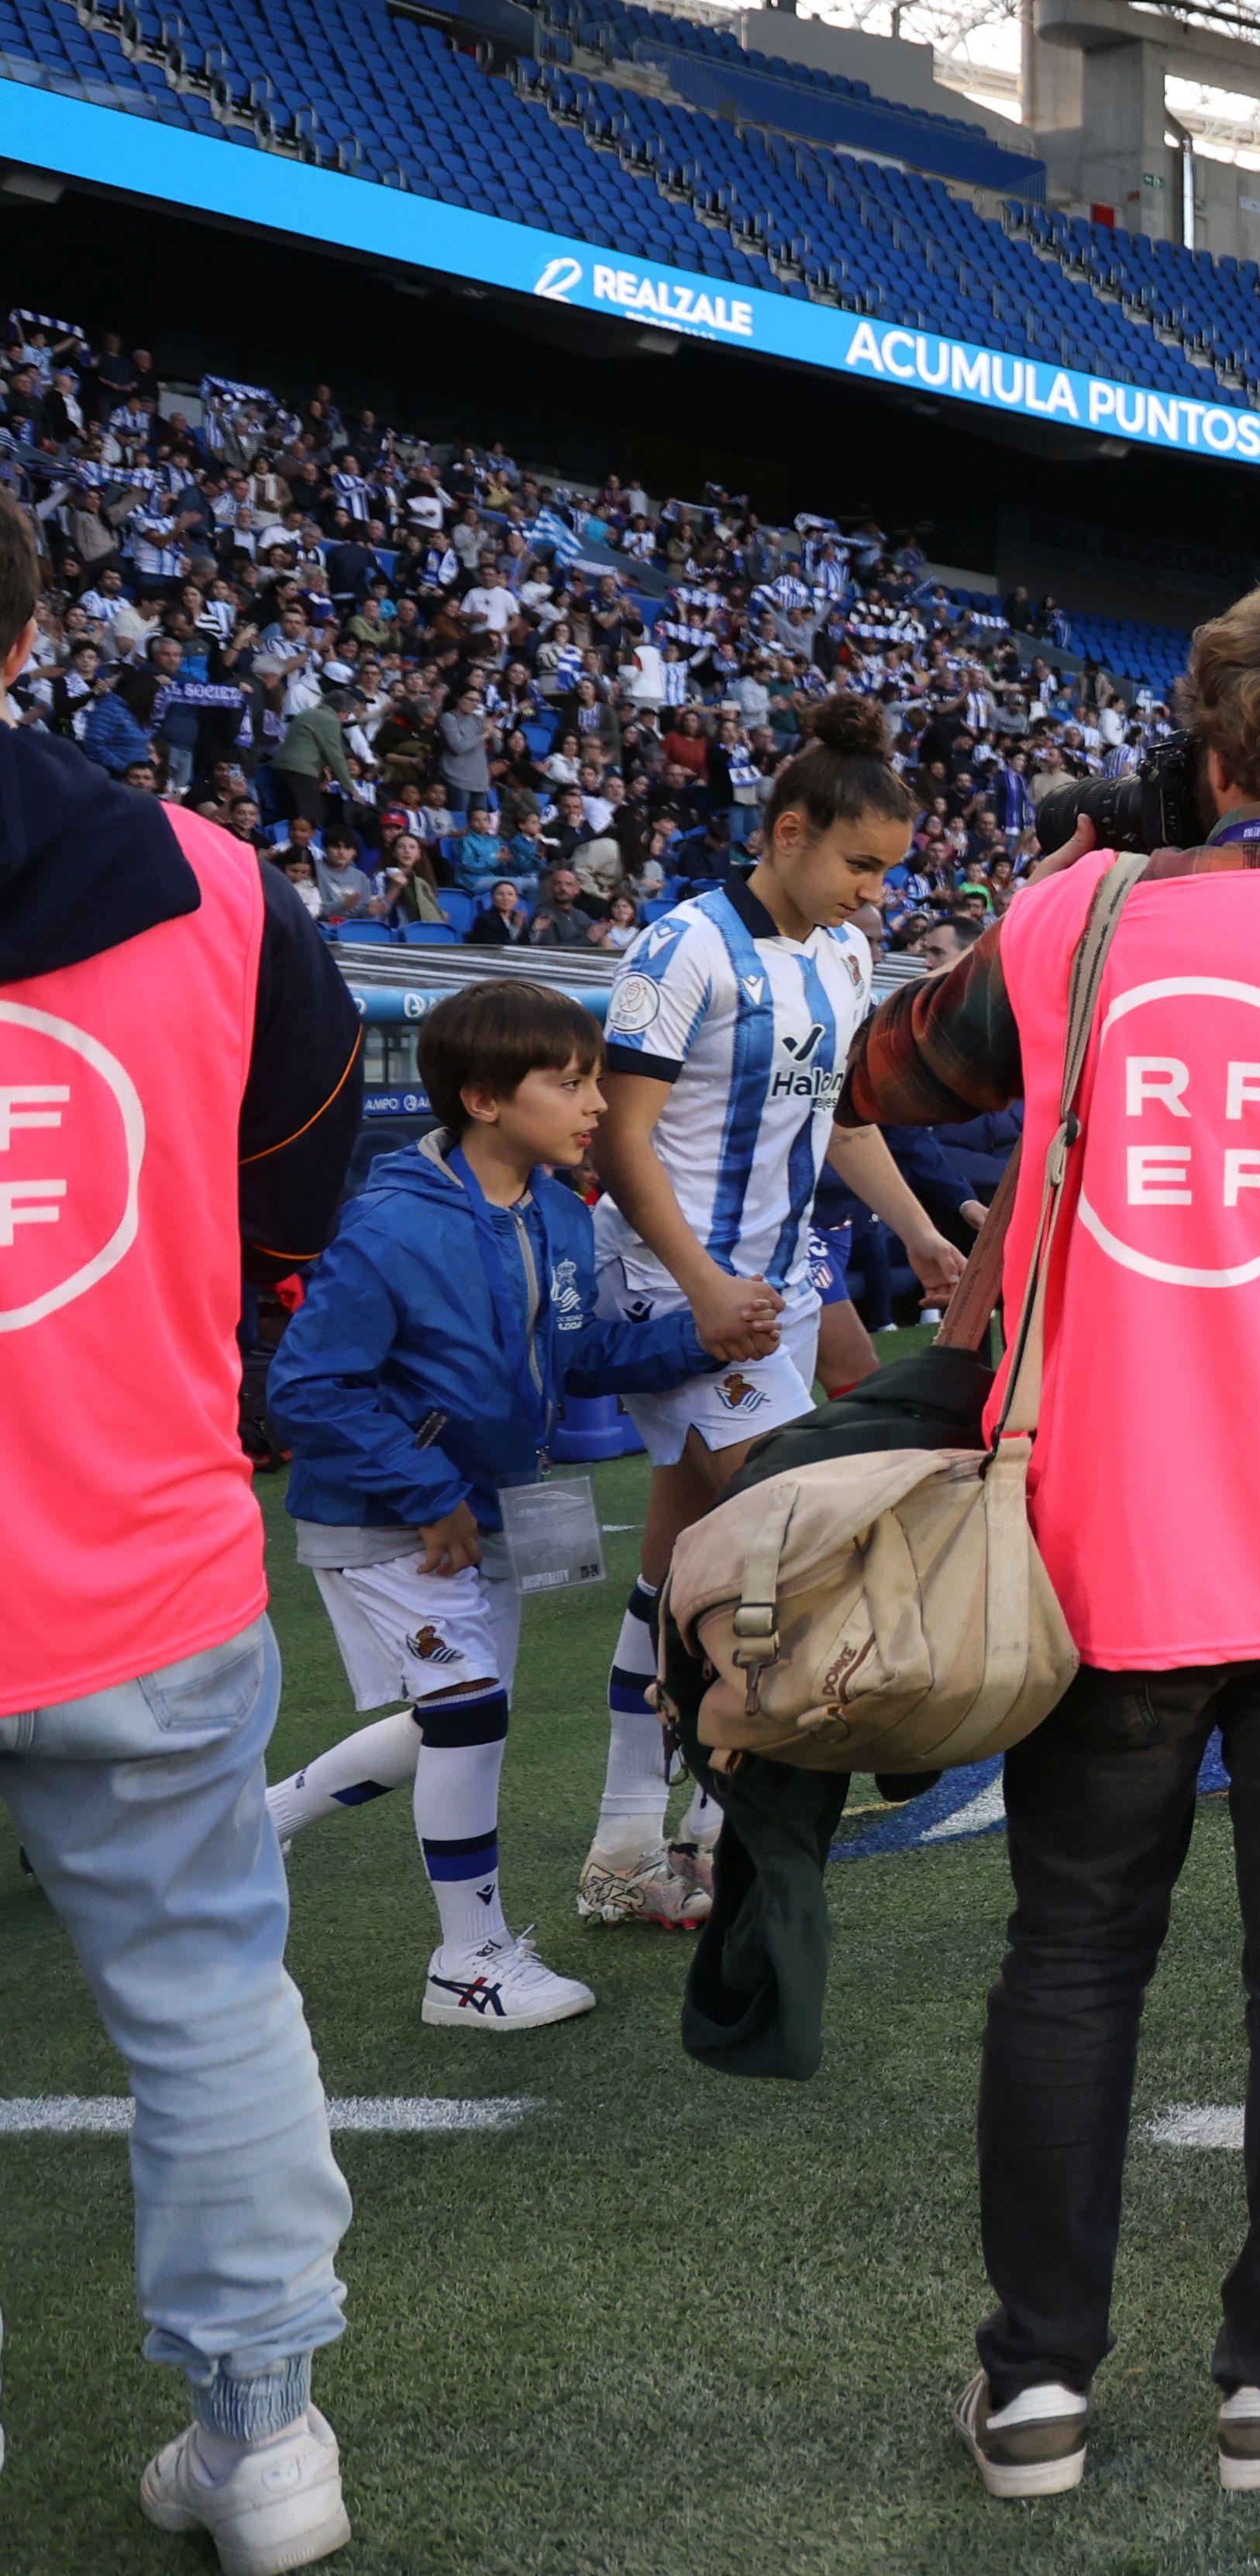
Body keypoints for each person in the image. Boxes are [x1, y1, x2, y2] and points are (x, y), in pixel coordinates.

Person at [842, 571, 1260, 2500]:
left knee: (1070, 1955)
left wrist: (1083, 888)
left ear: (1207, 747)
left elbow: (894, 1066)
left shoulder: (1078, 920)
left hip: (1112, 1539)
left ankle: (1039, 2386)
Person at [0, 508, 371, 2576]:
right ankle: (272, 2450)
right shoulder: (221, 892)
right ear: (39, 631)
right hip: (132, 1548)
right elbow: (301, 1204)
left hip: (121, 1548)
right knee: (209, 1996)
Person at [261, 980, 752, 2034]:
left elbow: (578, 1359)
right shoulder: (394, 1226)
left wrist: (701, 1336)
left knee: (457, 1716)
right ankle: (467, 1964)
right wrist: (430, 1491)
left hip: (484, 1511)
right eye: (569, 1084)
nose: (596, 1106)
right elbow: (305, 1386)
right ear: (485, 1099)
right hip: (390, 1514)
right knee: (470, 1711)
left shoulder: (555, 1214)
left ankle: (264, 1821)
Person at [576, 696, 967, 1929]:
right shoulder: (680, 947)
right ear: (788, 832)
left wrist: (913, 1231)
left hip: (777, 1286)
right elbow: (621, 1143)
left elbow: (840, 1121)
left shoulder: (845, 958)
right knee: (787, 1548)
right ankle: (711, 1823)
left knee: (679, 1562)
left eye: (891, 873)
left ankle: (633, 1838)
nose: (875, 894)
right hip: (679, 1287)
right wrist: (697, 1288)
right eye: (860, 864)